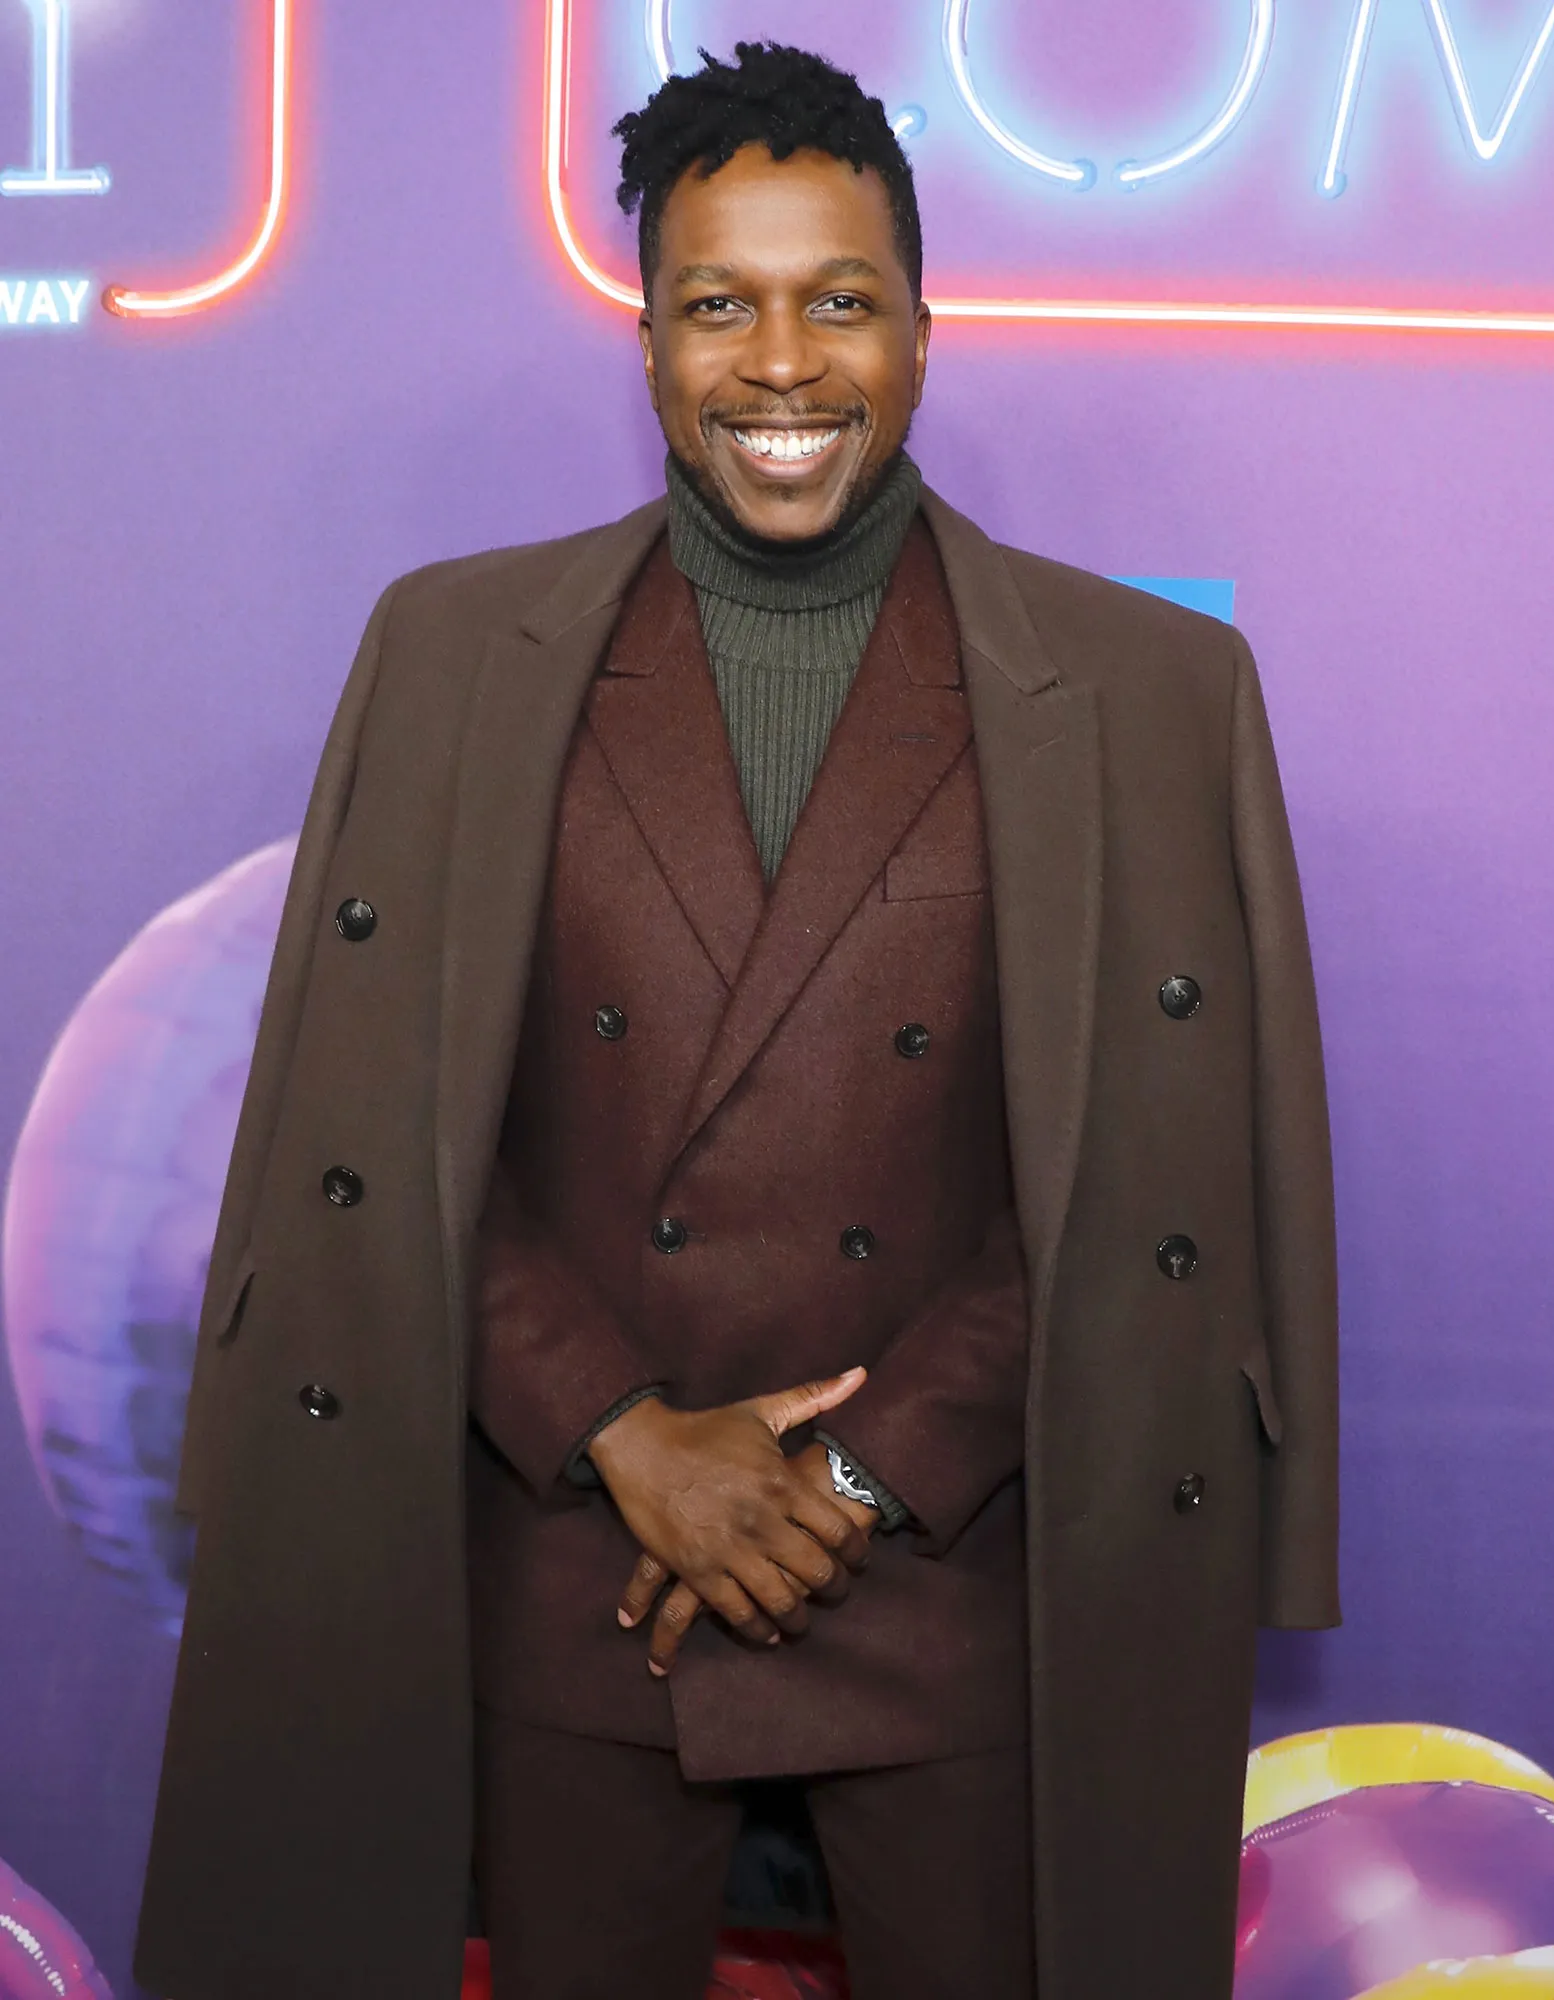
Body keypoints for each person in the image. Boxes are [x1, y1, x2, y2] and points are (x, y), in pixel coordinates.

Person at [134, 41, 1339, 2000]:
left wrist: (855, 1475)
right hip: (575, 1561)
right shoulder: (453, 653)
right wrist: (622, 1432)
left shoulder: (1149, 693)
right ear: (648, 342)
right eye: (720, 305)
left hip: (964, 1575)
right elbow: (377, 1140)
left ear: (925, 332)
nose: (782, 364)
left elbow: (1149, 1186)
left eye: (838, 300)